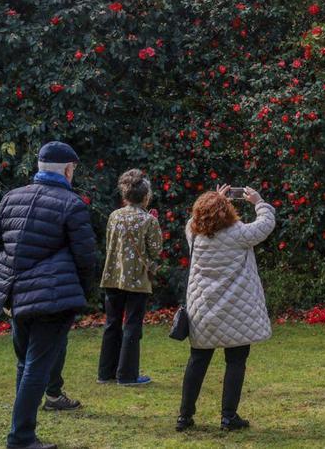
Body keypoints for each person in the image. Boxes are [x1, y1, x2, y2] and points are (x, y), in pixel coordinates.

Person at [0, 141, 96, 449]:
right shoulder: (72, 204)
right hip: (53, 297)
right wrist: (82, 293)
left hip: (17, 295)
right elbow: (86, 257)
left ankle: (22, 432)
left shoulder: (11, 197)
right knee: (37, 367)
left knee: (25, 364)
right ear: (68, 170)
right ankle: (20, 437)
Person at [176, 186, 276, 433]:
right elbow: (266, 223)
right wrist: (258, 201)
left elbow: (192, 221)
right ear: (227, 211)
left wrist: (215, 198)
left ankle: (184, 416)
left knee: (197, 361)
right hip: (236, 311)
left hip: (204, 310)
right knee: (236, 362)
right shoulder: (239, 233)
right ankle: (228, 417)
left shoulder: (194, 235)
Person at [97, 168, 162, 386]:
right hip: (136, 279)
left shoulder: (114, 216)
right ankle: (127, 375)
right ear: (146, 196)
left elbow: (109, 244)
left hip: (113, 275)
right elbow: (155, 250)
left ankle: (106, 373)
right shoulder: (148, 220)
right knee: (133, 324)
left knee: (112, 323)